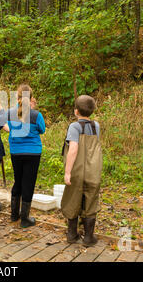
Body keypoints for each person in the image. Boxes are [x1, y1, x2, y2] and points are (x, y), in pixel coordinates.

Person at [60, 95, 102, 246]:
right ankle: (89, 237)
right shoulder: (96, 126)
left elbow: (73, 149)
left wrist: (67, 172)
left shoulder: (74, 127)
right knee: (90, 201)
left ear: (76, 111)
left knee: (72, 199)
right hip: (93, 171)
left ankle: (72, 234)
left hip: (77, 171)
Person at [7, 84, 45, 228]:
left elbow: (10, 128)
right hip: (33, 153)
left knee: (18, 180)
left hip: (16, 152)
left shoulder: (11, 113)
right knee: (28, 183)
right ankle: (25, 219)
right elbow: (42, 130)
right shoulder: (36, 115)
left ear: (17, 97)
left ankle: (13, 214)